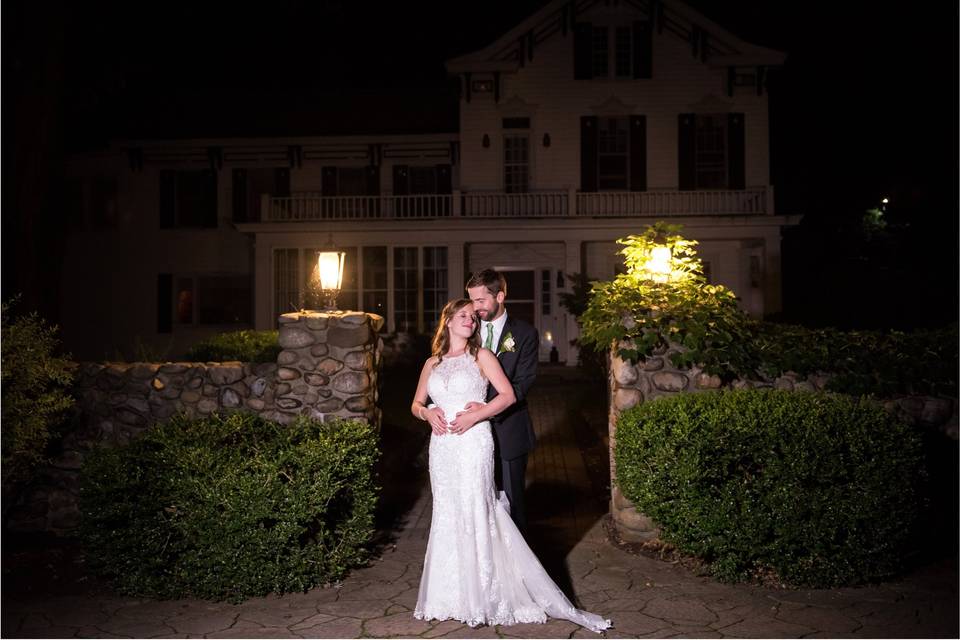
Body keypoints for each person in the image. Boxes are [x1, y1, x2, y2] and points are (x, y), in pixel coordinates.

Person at [410, 298, 611, 632]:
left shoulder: (482, 356)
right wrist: (428, 413)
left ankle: (483, 596)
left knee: (477, 509)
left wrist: (477, 414)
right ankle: (447, 595)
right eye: (463, 316)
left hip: (474, 442)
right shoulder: (432, 363)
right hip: (442, 448)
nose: (470, 321)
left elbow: (507, 395)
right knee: (447, 512)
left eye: (473, 318)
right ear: (447, 321)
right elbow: (415, 404)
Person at [462, 268, 538, 535]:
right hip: (470, 434)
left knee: (512, 503)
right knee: (477, 501)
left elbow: (523, 384)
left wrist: (486, 410)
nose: (475, 307)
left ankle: (518, 570)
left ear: (501, 296)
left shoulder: (525, 333)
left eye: (481, 300)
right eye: (471, 300)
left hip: (509, 429)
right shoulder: (466, 330)